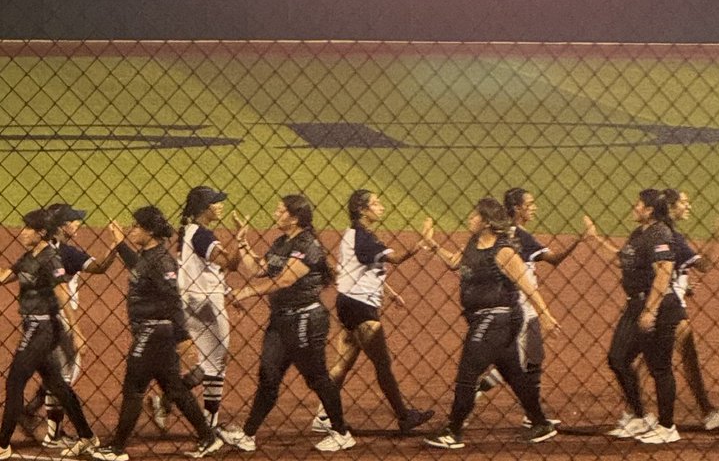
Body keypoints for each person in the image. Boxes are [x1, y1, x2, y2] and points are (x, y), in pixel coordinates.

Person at [420, 196, 560, 450]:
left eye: (474, 216)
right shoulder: (473, 243)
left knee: (467, 373)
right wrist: (432, 244)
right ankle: (540, 423)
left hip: (498, 318)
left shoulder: (504, 251)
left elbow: (527, 287)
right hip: (486, 319)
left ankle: (453, 431)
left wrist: (546, 316)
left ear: (485, 222)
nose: (470, 219)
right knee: (514, 374)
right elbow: (454, 262)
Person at [218, 194, 353, 454]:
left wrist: (246, 292)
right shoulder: (281, 242)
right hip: (280, 320)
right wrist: (242, 241)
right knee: (268, 377)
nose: (275, 213)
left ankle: (341, 432)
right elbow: (260, 269)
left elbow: (284, 280)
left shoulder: (308, 245)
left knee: (316, 377)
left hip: (305, 319)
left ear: (294, 217)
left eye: (280, 211)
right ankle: (247, 435)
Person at [90, 206, 221, 461]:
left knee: (134, 386)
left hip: (154, 332)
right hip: (154, 333)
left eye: (136, 226)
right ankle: (208, 437)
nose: (132, 230)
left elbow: (173, 300)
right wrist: (119, 245)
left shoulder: (162, 261)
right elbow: (139, 268)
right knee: (174, 389)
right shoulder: (149, 256)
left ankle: (117, 448)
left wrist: (183, 338)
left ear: (149, 231)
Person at [469, 188, 596, 429]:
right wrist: (581, 238)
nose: (534, 207)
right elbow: (554, 259)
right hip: (521, 305)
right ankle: (478, 391)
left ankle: (530, 414)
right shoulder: (520, 236)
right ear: (517, 208)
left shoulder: (501, 232)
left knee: (532, 359)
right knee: (519, 362)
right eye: (530, 203)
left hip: (518, 304)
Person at [310, 190, 432, 436]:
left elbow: (359, 271)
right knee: (383, 364)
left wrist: (389, 292)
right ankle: (404, 416)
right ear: (362, 209)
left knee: (342, 365)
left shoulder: (355, 235)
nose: (382, 207)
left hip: (350, 303)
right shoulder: (363, 238)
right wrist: (421, 243)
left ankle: (323, 415)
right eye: (376, 203)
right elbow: (396, 258)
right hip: (360, 307)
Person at [22, 203, 121, 448]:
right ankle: (53, 435)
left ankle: (36, 414)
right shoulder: (66, 254)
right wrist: (115, 245)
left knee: (55, 374)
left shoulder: (39, 251)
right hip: (63, 321)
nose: (78, 224)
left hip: (37, 318)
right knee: (65, 376)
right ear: (63, 226)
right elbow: (100, 268)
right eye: (74, 220)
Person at [0, 209, 97, 461]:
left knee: (14, 383)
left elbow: (63, 294)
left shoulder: (50, 258)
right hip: (33, 327)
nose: (23, 232)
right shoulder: (28, 257)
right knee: (57, 385)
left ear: (41, 232)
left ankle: (2, 444)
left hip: (43, 329)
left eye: (28, 228)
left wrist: (77, 333)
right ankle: (87, 436)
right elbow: (3, 277)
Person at [606, 188, 685, 445]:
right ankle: (640, 417)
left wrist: (651, 310)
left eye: (638, 204)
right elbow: (622, 259)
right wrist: (594, 239)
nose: (635, 207)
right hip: (635, 306)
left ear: (649, 209)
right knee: (617, 358)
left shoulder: (660, 233)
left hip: (659, 307)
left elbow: (664, 273)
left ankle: (667, 427)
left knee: (659, 367)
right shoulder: (639, 233)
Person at [174, 186, 247, 430]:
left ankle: (167, 399)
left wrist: (227, 291)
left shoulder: (188, 231)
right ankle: (209, 424)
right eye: (216, 202)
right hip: (205, 303)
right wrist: (240, 237)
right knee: (217, 362)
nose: (220, 205)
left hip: (192, 301)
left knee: (210, 361)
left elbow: (208, 270)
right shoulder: (202, 236)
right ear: (205, 208)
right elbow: (230, 264)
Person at [661, 189, 719, 431]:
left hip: (659, 301)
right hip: (668, 306)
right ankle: (707, 412)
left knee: (645, 359)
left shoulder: (656, 231)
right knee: (678, 357)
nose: (688, 206)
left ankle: (633, 414)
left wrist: (683, 282)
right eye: (684, 202)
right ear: (670, 207)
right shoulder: (673, 236)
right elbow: (705, 265)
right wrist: (717, 237)